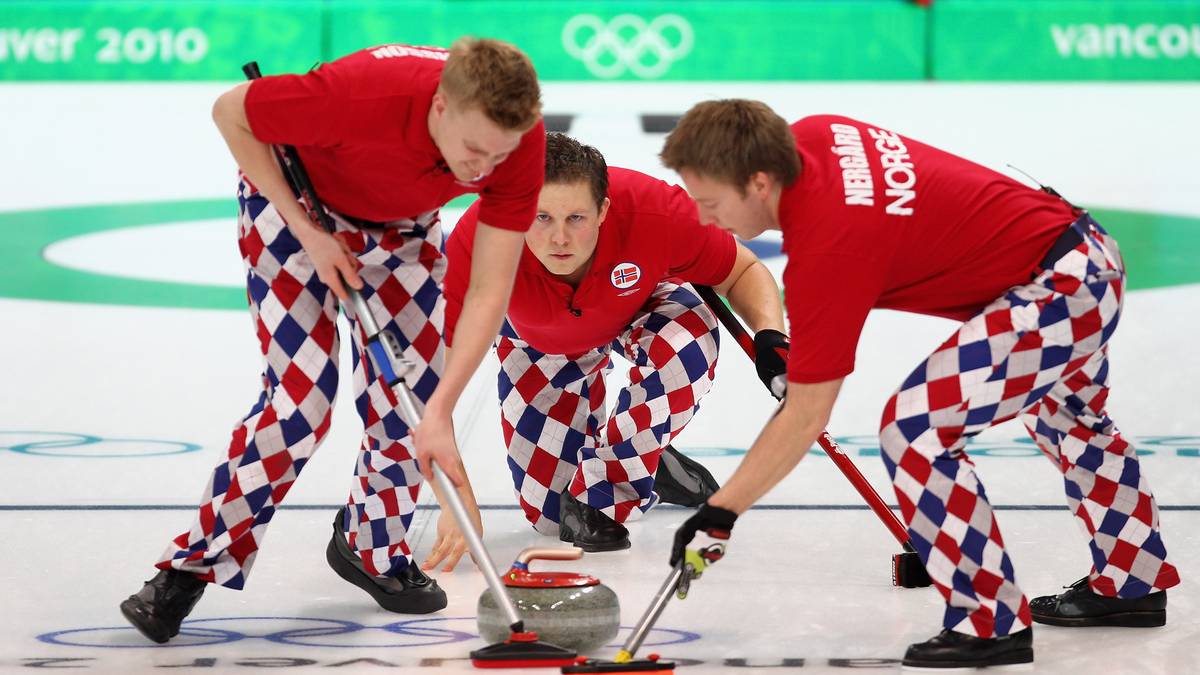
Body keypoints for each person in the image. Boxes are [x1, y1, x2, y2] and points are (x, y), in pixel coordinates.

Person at [659, 100, 1180, 669]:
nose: (706, 219)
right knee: (1071, 419)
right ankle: (1133, 580)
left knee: (916, 430)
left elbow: (807, 415)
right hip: (1083, 252)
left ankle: (990, 623)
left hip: (1059, 289)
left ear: (759, 182)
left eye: (710, 203)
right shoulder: (814, 134)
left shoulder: (829, 248)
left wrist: (721, 512)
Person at [119, 38, 546, 644]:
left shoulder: (518, 146)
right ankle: (190, 568)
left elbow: (487, 293)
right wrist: (307, 232)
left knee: (414, 411)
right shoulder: (358, 94)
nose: (484, 169)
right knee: (300, 409)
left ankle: (372, 547)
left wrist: (443, 411)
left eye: (498, 155)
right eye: (474, 150)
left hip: (402, 233)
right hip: (296, 213)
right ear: (442, 106)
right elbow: (231, 111)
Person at [434, 132, 787, 555]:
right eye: (541, 217)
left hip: (639, 307)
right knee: (550, 518)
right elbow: (432, 393)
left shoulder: (655, 209)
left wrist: (770, 336)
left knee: (685, 346)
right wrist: (454, 498)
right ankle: (649, 457)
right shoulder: (479, 243)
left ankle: (629, 454)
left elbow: (741, 270)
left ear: (603, 210)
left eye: (576, 219)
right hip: (540, 341)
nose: (559, 238)